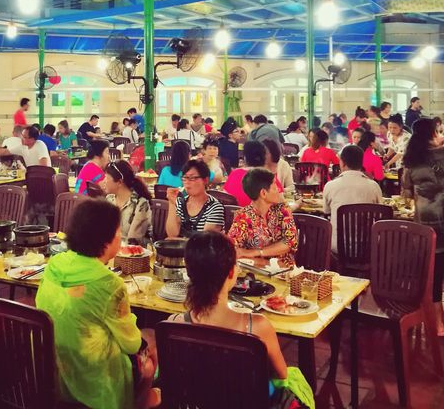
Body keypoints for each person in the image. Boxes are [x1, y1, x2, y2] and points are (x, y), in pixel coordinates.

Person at [36, 198, 159, 409]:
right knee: (153, 341)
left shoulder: (55, 263)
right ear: (105, 240)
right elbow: (131, 344)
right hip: (98, 381)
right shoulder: (109, 283)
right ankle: (136, 402)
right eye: (118, 231)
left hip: (55, 371)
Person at [170, 232, 290, 386]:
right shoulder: (258, 327)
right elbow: (282, 374)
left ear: (188, 271)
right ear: (232, 272)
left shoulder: (174, 325)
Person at [401, 118, 444, 334]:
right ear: (433, 134)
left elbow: (406, 193)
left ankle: (437, 322)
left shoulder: (411, 158)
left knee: (433, 273)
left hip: (426, 225)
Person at [229, 168, 298, 267]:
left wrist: (256, 253)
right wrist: (266, 263)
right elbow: (233, 251)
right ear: (263, 193)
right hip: (256, 271)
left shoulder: (283, 210)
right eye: (275, 187)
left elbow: (289, 243)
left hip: (285, 270)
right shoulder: (243, 217)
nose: (278, 190)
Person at [322, 145, 383, 252]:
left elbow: (326, 212)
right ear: (361, 163)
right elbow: (380, 215)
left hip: (337, 247)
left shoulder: (330, 186)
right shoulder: (374, 186)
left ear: (342, 163)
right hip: (367, 248)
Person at [166, 160, 224, 238]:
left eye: (192, 178)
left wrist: (179, 240)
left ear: (205, 180)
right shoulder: (180, 202)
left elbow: (206, 240)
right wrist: (171, 202)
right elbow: (172, 234)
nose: (187, 182)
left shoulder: (215, 207)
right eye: (185, 178)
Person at [104, 160, 152, 245]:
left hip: (135, 250)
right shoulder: (109, 200)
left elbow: (133, 240)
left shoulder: (140, 204)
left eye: (107, 178)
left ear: (120, 182)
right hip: (112, 248)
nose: (104, 181)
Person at [223, 140, 282, 207]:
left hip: (234, 213)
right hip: (260, 213)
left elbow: (225, 197)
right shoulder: (269, 176)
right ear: (264, 157)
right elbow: (281, 203)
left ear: (245, 158)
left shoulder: (234, 174)